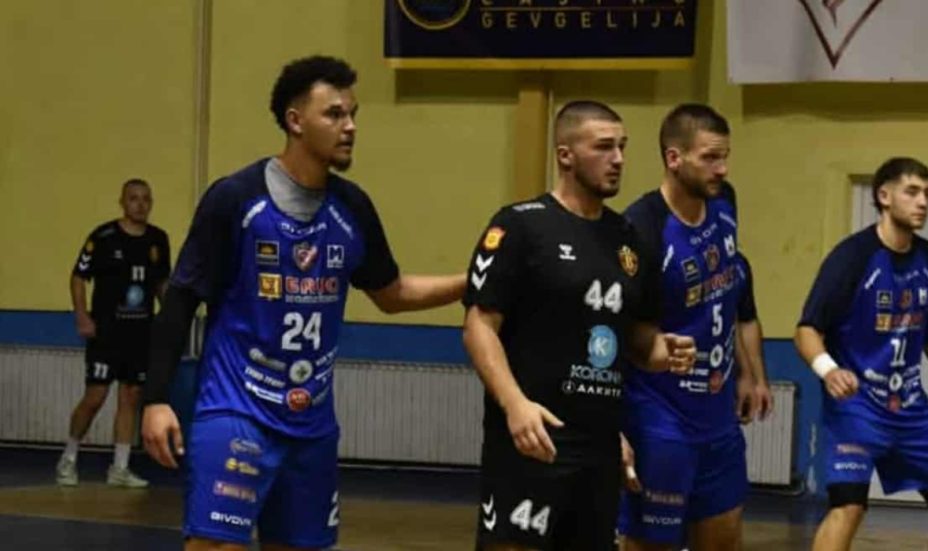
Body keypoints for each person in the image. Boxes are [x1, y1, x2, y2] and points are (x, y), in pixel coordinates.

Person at [140, 55, 465, 551]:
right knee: (216, 545)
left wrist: (475, 281)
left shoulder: (352, 207)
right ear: (295, 121)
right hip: (237, 408)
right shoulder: (235, 199)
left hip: (311, 424)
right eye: (334, 114)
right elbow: (181, 300)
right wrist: (155, 399)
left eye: (353, 114)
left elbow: (392, 293)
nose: (350, 126)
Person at [463, 100, 697, 551]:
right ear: (565, 155)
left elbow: (638, 341)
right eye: (604, 147)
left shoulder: (629, 240)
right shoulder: (521, 226)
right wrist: (515, 405)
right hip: (532, 441)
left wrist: (663, 351)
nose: (619, 159)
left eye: (622, 147)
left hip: (600, 450)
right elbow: (478, 327)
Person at [795, 157, 928, 551]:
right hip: (857, 407)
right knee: (848, 507)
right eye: (912, 192)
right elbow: (807, 330)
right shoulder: (852, 256)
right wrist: (829, 370)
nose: (923, 202)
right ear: (884, 196)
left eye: (927, 193)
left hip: (910, 408)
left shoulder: (927, 257)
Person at [616, 104, 754, 551]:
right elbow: (618, 331)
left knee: (725, 536)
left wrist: (749, 373)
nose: (722, 169)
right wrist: (654, 348)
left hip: (718, 417)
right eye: (710, 158)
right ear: (674, 158)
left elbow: (730, 291)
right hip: (660, 418)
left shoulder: (725, 202)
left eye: (725, 156)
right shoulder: (641, 229)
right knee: (652, 542)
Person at [57, 178, 170, 488]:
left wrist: (170, 320)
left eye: (146, 199)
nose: (140, 205)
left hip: (140, 332)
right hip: (106, 332)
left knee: (131, 396)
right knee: (95, 396)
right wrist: (82, 315)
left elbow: (161, 283)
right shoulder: (104, 237)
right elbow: (78, 277)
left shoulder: (158, 239)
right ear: (122, 202)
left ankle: (120, 467)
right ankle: (68, 457)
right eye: (134, 198)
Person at [717, 181, 773, 425]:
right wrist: (746, 374)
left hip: (725, 376)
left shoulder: (739, 265)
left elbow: (746, 321)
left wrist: (759, 380)